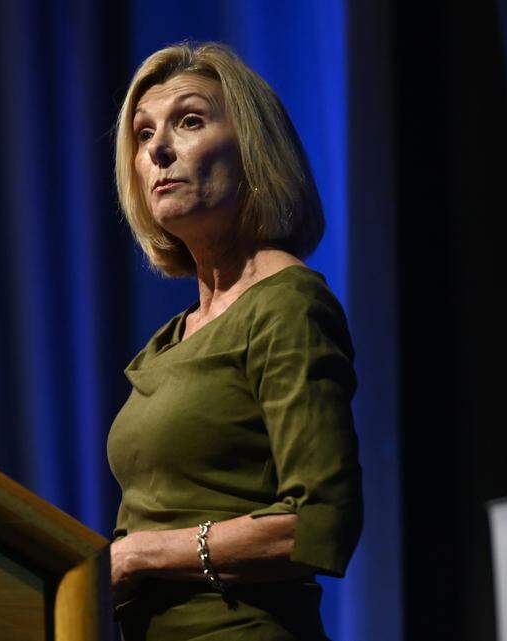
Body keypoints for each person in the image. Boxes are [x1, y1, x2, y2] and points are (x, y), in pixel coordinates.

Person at [106, 41, 363, 641]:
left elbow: (318, 521)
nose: (159, 150)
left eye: (190, 121)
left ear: (252, 151)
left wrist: (140, 556)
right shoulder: (170, 340)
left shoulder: (286, 303)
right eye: (143, 135)